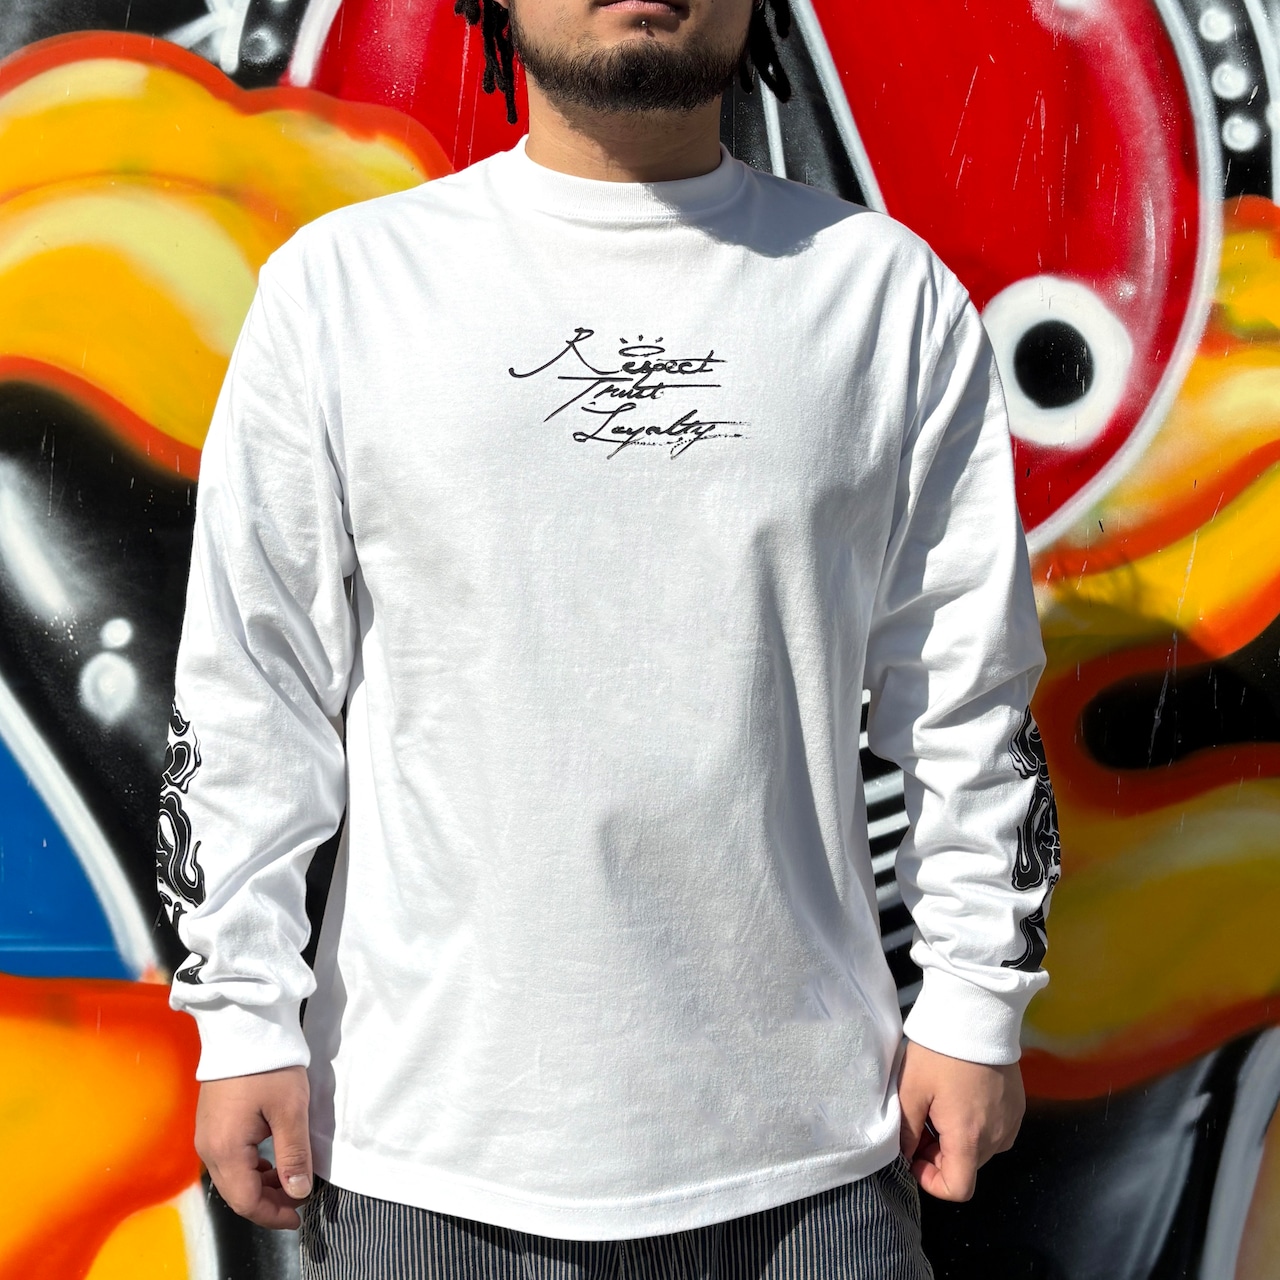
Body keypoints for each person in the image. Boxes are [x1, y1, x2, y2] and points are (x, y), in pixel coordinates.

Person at [156, 0, 1060, 1275]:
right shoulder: (345, 290)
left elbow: (966, 690)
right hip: (427, 1162)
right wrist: (242, 1015)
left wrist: (973, 997)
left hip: (808, 1156)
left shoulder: (880, 296)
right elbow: (255, 686)